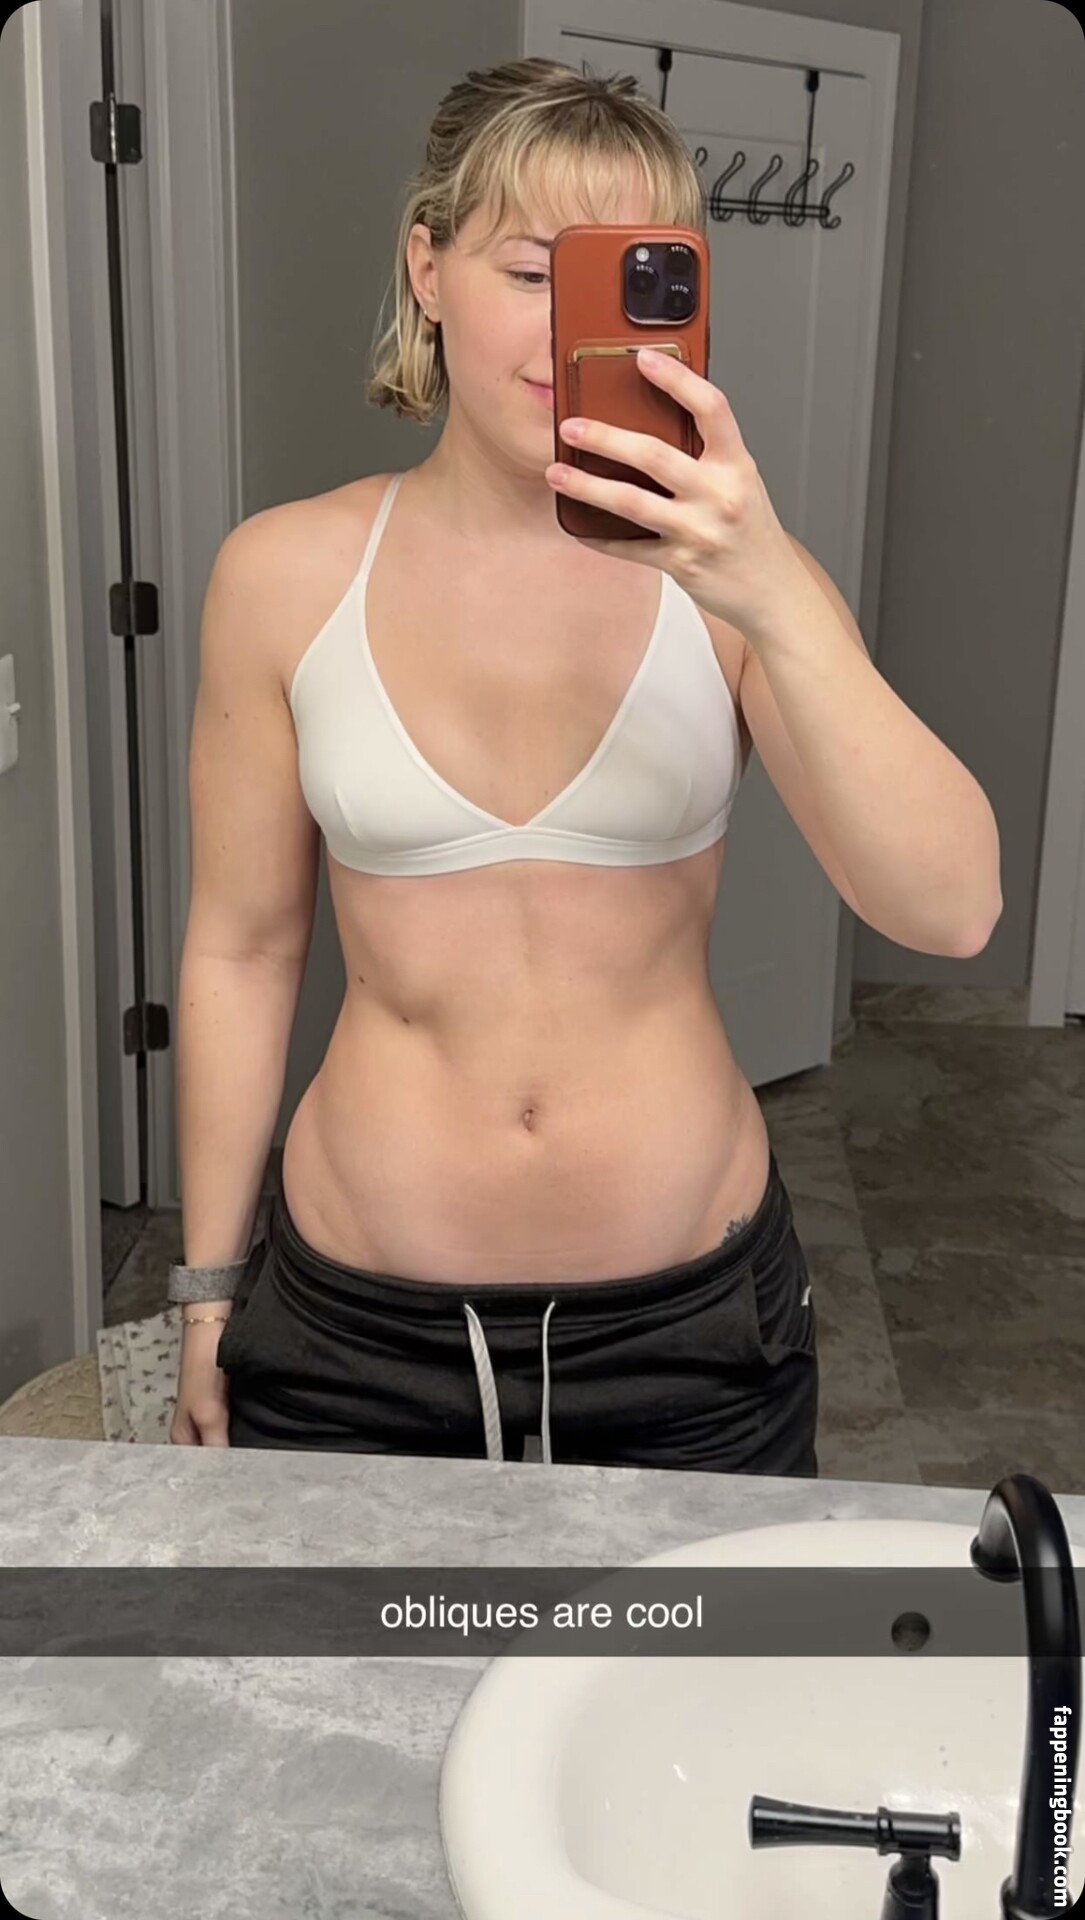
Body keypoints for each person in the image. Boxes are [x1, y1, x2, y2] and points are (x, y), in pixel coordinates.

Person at [167, 54, 823, 1469]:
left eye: (623, 279)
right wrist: (207, 1292)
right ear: (428, 267)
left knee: (696, 1634)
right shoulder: (282, 575)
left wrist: (770, 583)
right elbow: (242, 948)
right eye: (531, 271)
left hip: (690, 1335)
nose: (564, 329)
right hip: (354, 1334)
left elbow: (950, 906)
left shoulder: (737, 586)